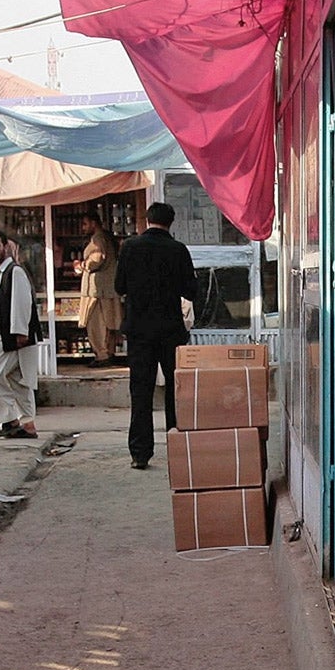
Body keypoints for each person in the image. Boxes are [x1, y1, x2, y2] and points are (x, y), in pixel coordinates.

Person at [115, 201, 199, 470]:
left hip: (139, 332)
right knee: (176, 391)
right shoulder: (178, 250)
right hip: (169, 331)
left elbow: (119, 286)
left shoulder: (130, 248)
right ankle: (178, 450)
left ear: (148, 220)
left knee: (141, 392)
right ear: (170, 223)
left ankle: (140, 454)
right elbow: (191, 292)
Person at [0, 228, 40, 439]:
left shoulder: (15, 272)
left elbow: (23, 304)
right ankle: (26, 424)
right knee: (17, 379)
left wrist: (20, 333)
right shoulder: (3, 275)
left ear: (6, 247)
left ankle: (11, 420)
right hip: (8, 336)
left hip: (16, 338)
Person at [76, 212, 123, 364]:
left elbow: (97, 258)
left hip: (97, 289)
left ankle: (102, 355)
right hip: (107, 287)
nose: (82, 228)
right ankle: (109, 352)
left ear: (93, 223)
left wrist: (82, 265)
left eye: (85, 224)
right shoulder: (107, 237)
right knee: (109, 322)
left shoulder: (98, 239)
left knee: (96, 323)